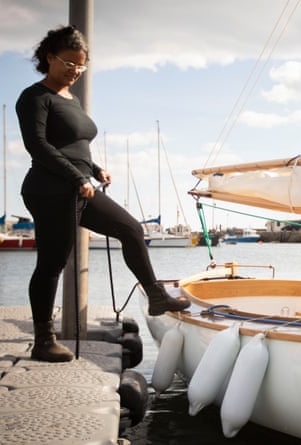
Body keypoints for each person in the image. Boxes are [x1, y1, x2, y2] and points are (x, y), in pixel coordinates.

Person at [16, 26, 190, 363]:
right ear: (49, 58)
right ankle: (43, 340)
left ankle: (156, 296)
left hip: (80, 185)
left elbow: (73, 145)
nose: (75, 72)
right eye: (69, 64)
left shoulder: (72, 99)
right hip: (50, 189)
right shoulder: (35, 97)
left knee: (131, 229)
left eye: (81, 67)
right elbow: (38, 146)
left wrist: (94, 170)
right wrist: (78, 175)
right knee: (52, 263)